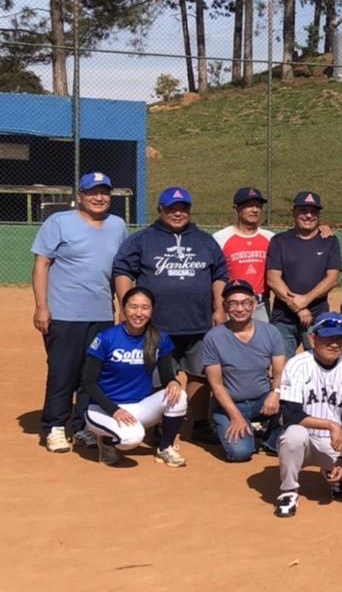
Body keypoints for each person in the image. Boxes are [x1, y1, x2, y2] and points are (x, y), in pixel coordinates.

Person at [111, 186, 227, 435]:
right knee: (156, 378)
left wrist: (219, 307)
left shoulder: (205, 241)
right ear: (160, 210)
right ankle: (158, 424)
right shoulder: (142, 239)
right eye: (171, 209)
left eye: (183, 208)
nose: (178, 213)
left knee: (199, 374)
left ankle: (199, 423)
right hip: (157, 325)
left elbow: (219, 273)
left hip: (198, 322)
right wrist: (126, 305)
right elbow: (122, 271)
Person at [32, 170, 127, 452]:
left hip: (101, 315)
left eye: (104, 192)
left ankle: (84, 426)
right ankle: (55, 427)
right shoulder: (58, 222)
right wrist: (41, 307)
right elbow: (42, 265)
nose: (99, 197)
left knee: (92, 374)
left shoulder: (118, 225)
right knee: (63, 372)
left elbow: (121, 270)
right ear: (80, 196)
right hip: (64, 314)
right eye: (92, 192)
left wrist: (122, 307)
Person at [272, 312, 342, 518]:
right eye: (328, 338)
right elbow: (292, 415)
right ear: (313, 338)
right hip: (302, 439)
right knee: (294, 435)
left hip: (333, 443)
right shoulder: (297, 364)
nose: (334, 344)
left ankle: (333, 473)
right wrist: (331, 425)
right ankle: (289, 491)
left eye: (339, 339)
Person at [81, 286, 189, 467]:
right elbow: (88, 382)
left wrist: (172, 381)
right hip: (103, 409)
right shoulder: (106, 338)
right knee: (132, 438)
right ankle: (106, 441)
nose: (139, 313)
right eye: (133, 307)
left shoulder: (158, 337)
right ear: (124, 309)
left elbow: (166, 373)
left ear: (152, 311)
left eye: (145, 308)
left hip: (138, 407)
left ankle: (165, 448)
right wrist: (114, 410)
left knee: (180, 396)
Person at [201, 280, 287, 462]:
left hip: (263, 401)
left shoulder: (271, 332)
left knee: (292, 400)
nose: (240, 309)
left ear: (254, 304)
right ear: (224, 306)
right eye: (233, 303)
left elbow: (280, 371)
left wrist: (275, 392)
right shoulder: (213, 338)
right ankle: (235, 426)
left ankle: (270, 441)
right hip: (230, 404)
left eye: (245, 302)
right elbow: (216, 385)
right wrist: (235, 415)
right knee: (240, 453)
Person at [265, 191, 341, 353]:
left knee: (316, 367)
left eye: (313, 211)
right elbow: (273, 279)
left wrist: (305, 300)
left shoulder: (330, 241)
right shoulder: (280, 241)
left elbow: (332, 278)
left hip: (316, 317)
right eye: (303, 211)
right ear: (293, 212)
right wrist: (298, 308)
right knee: (282, 368)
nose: (308, 215)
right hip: (283, 318)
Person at [213, 186, 273, 323]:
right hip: (231, 304)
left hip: (260, 304)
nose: (255, 210)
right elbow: (215, 275)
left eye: (258, 206)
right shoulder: (221, 237)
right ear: (237, 208)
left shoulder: (270, 238)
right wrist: (219, 308)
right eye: (249, 206)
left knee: (261, 343)